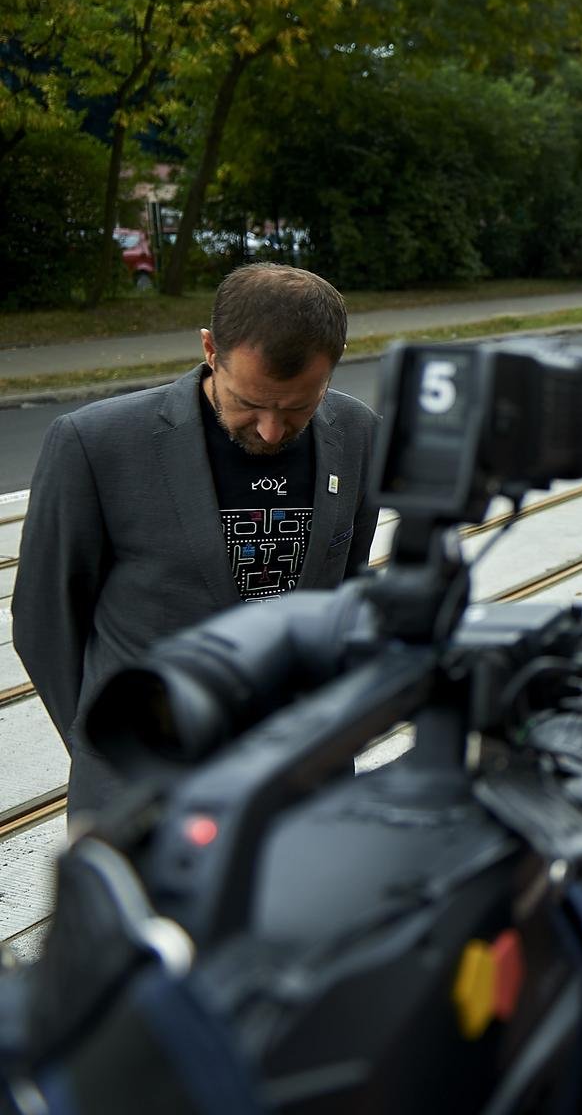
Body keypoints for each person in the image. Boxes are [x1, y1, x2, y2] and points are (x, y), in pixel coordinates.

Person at [14, 262, 380, 814]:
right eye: (249, 403)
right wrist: (113, 746)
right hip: (145, 794)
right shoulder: (95, 444)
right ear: (211, 349)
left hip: (303, 786)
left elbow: (347, 589)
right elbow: (44, 621)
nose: (270, 430)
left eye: (298, 407)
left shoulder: (358, 433)